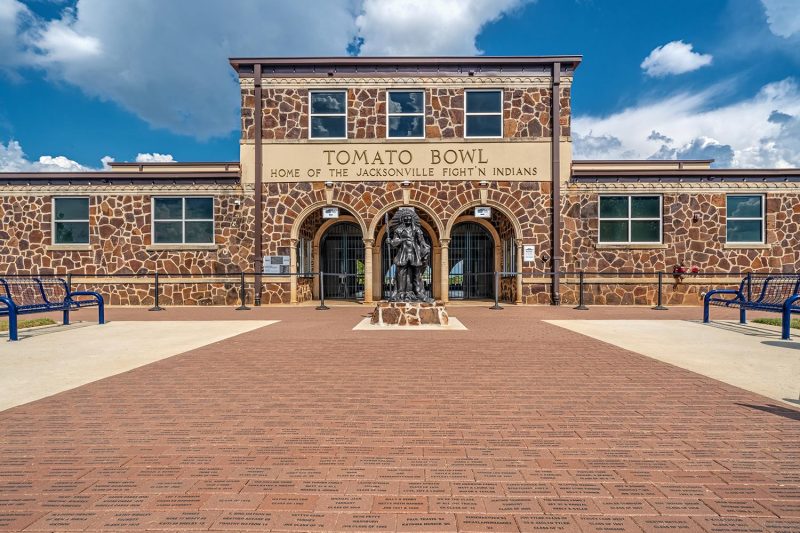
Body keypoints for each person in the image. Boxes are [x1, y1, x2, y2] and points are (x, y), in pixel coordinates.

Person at [387, 207, 431, 302]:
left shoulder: (417, 230)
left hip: (415, 254)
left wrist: (426, 248)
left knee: (417, 275)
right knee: (401, 274)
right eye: (405, 217)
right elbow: (395, 242)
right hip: (403, 254)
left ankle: (418, 293)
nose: (407, 219)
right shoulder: (398, 230)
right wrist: (390, 241)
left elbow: (421, 242)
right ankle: (400, 293)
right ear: (402, 219)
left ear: (412, 219)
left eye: (409, 217)